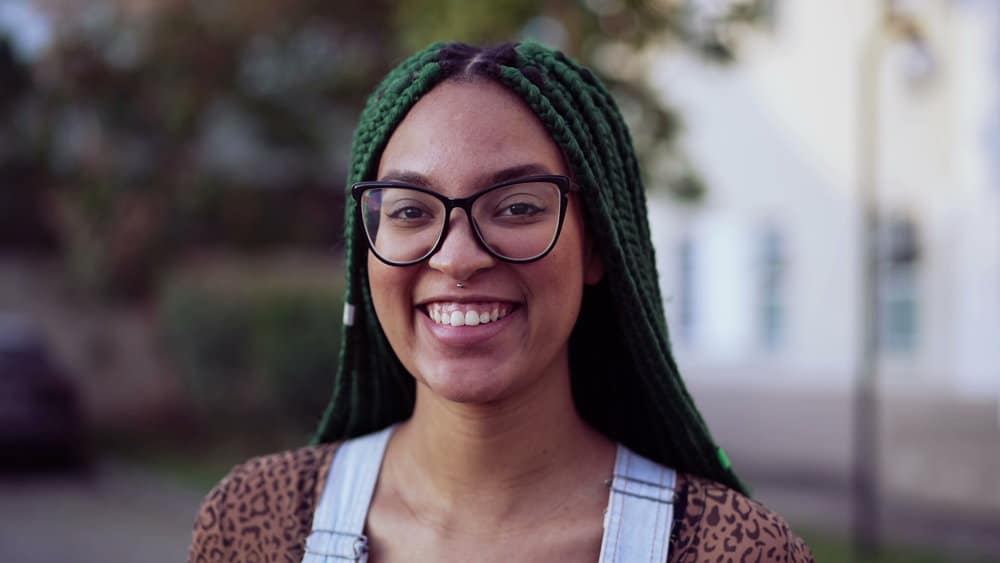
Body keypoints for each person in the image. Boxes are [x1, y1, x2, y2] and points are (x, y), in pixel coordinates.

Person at [189, 41, 815, 563]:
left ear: (597, 246)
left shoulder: (725, 549)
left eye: (517, 206)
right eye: (409, 210)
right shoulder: (260, 524)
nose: (457, 258)